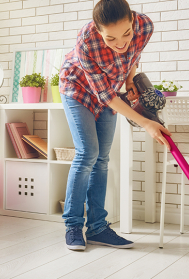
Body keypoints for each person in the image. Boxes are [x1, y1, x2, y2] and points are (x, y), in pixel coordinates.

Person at [59, 0, 171, 251]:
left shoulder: (145, 26)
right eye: (110, 39)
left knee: (102, 158)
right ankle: (73, 225)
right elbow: (105, 95)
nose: (120, 43)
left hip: (110, 89)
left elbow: (133, 54)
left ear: (132, 19)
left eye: (126, 34)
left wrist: (130, 78)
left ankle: (98, 228)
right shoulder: (86, 40)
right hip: (77, 89)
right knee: (88, 153)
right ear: (98, 31)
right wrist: (146, 123)